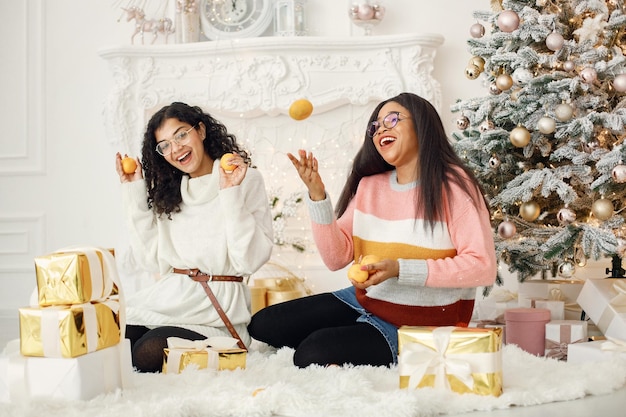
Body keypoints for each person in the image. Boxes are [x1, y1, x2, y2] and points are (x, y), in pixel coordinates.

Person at [248, 92, 497, 368]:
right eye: (375, 126)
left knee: (311, 353)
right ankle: (356, 332)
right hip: (367, 302)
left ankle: (369, 341)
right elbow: (336, 258)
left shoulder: (454, 186)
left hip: (419, 323)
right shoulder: (370, 186)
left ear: (423, 125)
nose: (381, 130)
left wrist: (400, 268)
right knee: (263, 325)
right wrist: (317, 195)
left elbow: (481, 266)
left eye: (392, 119)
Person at [114, 102, 274, 372]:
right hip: (170, 299)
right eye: (164, 145)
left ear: (200, 130)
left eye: (181, 135)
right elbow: (152, 262)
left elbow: (247, 261)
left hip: (215, 311)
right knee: (117, 341)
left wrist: (230, 192)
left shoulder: (246, 179)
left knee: (148, 351)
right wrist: (134, 192)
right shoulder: (169, 192)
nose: (175, 148)